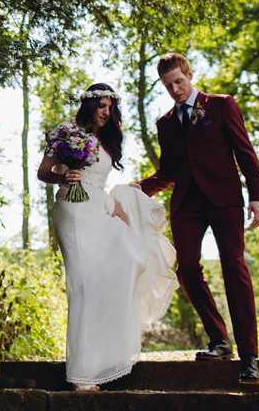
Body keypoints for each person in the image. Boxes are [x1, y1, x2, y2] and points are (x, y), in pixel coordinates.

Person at [135, 53, 259, 385]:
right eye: (168, 85)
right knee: (188, 269)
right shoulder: (165, 123)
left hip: (224, 200)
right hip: (187, 205)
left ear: (189, 74)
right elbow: (168, 172)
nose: (176, 89)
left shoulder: (221, 105)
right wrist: (135, 189)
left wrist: (256, 197)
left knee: (233, 266)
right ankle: (219, 339)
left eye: (179, 81)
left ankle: (249, 357)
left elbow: (245, 152)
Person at [38, 83, 177, 391]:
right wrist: (63, 176)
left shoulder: (109, 140)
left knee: (131, 257)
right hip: (72, 211)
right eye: (101, 106)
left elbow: (99, 183)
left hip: (98, 206)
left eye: (110, 108)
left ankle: (107, 355)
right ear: (89, 106)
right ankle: (82, 374)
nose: (106, 112)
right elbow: (43, 172)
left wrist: (116, 206)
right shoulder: (66, 132)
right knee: (84, 285)